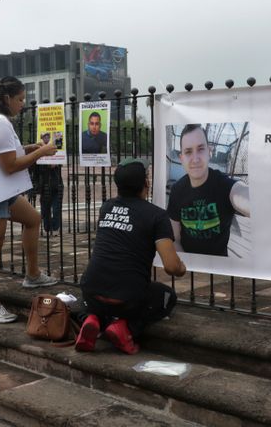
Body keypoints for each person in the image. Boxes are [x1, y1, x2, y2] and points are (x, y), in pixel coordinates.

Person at [0, 76, 60, 324]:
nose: (23, 104)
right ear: (7, 98)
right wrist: (42, 152)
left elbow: (3, 154)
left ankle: (33, 275)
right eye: (20, 99)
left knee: (33, 219)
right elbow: (10, 166)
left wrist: (29, 148)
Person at [75, 158, 187, 354]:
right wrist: (182, 268)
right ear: (146, 183)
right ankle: (126, 328)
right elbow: (171, 266)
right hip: (127, 300)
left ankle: (91, 319)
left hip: (92, 293)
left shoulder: (106, 207)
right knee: (167, 297)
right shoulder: (157, 215)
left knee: (94, 300)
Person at [166, 124, 250, 257]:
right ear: (181, 158)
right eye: (188, 152)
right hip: (189, 265)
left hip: (220, 266)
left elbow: (242, 195)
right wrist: (187, 266)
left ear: (209, 152)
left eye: (200, 149)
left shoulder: (224, 185)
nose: (195, 159)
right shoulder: (177, 191)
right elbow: (175, 239)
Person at [33, 164, 64, 237]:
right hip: (44, 185)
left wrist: (56, 164)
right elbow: (36, 171)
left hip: (57, 185)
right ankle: (47, 228)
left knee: (57, 208)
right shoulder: (40, 163)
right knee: (45, 209)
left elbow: (61, 162)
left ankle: (55, 228)